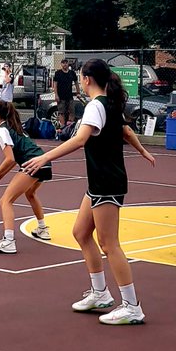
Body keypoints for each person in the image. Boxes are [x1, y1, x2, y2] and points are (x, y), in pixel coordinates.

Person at [21, 59, 156, 325]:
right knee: (81, 232)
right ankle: (100, 293)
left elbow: (80, 139)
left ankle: (131, 306)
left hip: (106, 181)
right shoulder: (110, 104)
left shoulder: (97, 105)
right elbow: (126, 131)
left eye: (81, 77)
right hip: (100, 181)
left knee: (109, 244)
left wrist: (45, 157)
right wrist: (143, 151)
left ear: (86, 79)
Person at [0, 100, 51, 253]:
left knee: (6, 200)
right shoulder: (14, 127)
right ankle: (42, 229)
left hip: (32, 163)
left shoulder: (1, 131)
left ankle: (8, 241)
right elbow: (14, 157)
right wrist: (2, 173)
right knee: (30, 193)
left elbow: (10, 159)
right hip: (44, 162)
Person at [52, 58, 79, 128]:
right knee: (61, 112)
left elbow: (76, 83)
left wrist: (78, 92)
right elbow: (55, 85)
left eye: (66, 63)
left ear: (68, 64)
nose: (65, 64)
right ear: (61, 64)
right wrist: (56, 95)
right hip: (61, 97)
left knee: (72, 111)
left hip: (69, 96)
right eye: (63, 63)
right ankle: (63, 127)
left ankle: (69, 126)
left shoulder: (72, 73)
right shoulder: (58, 73)